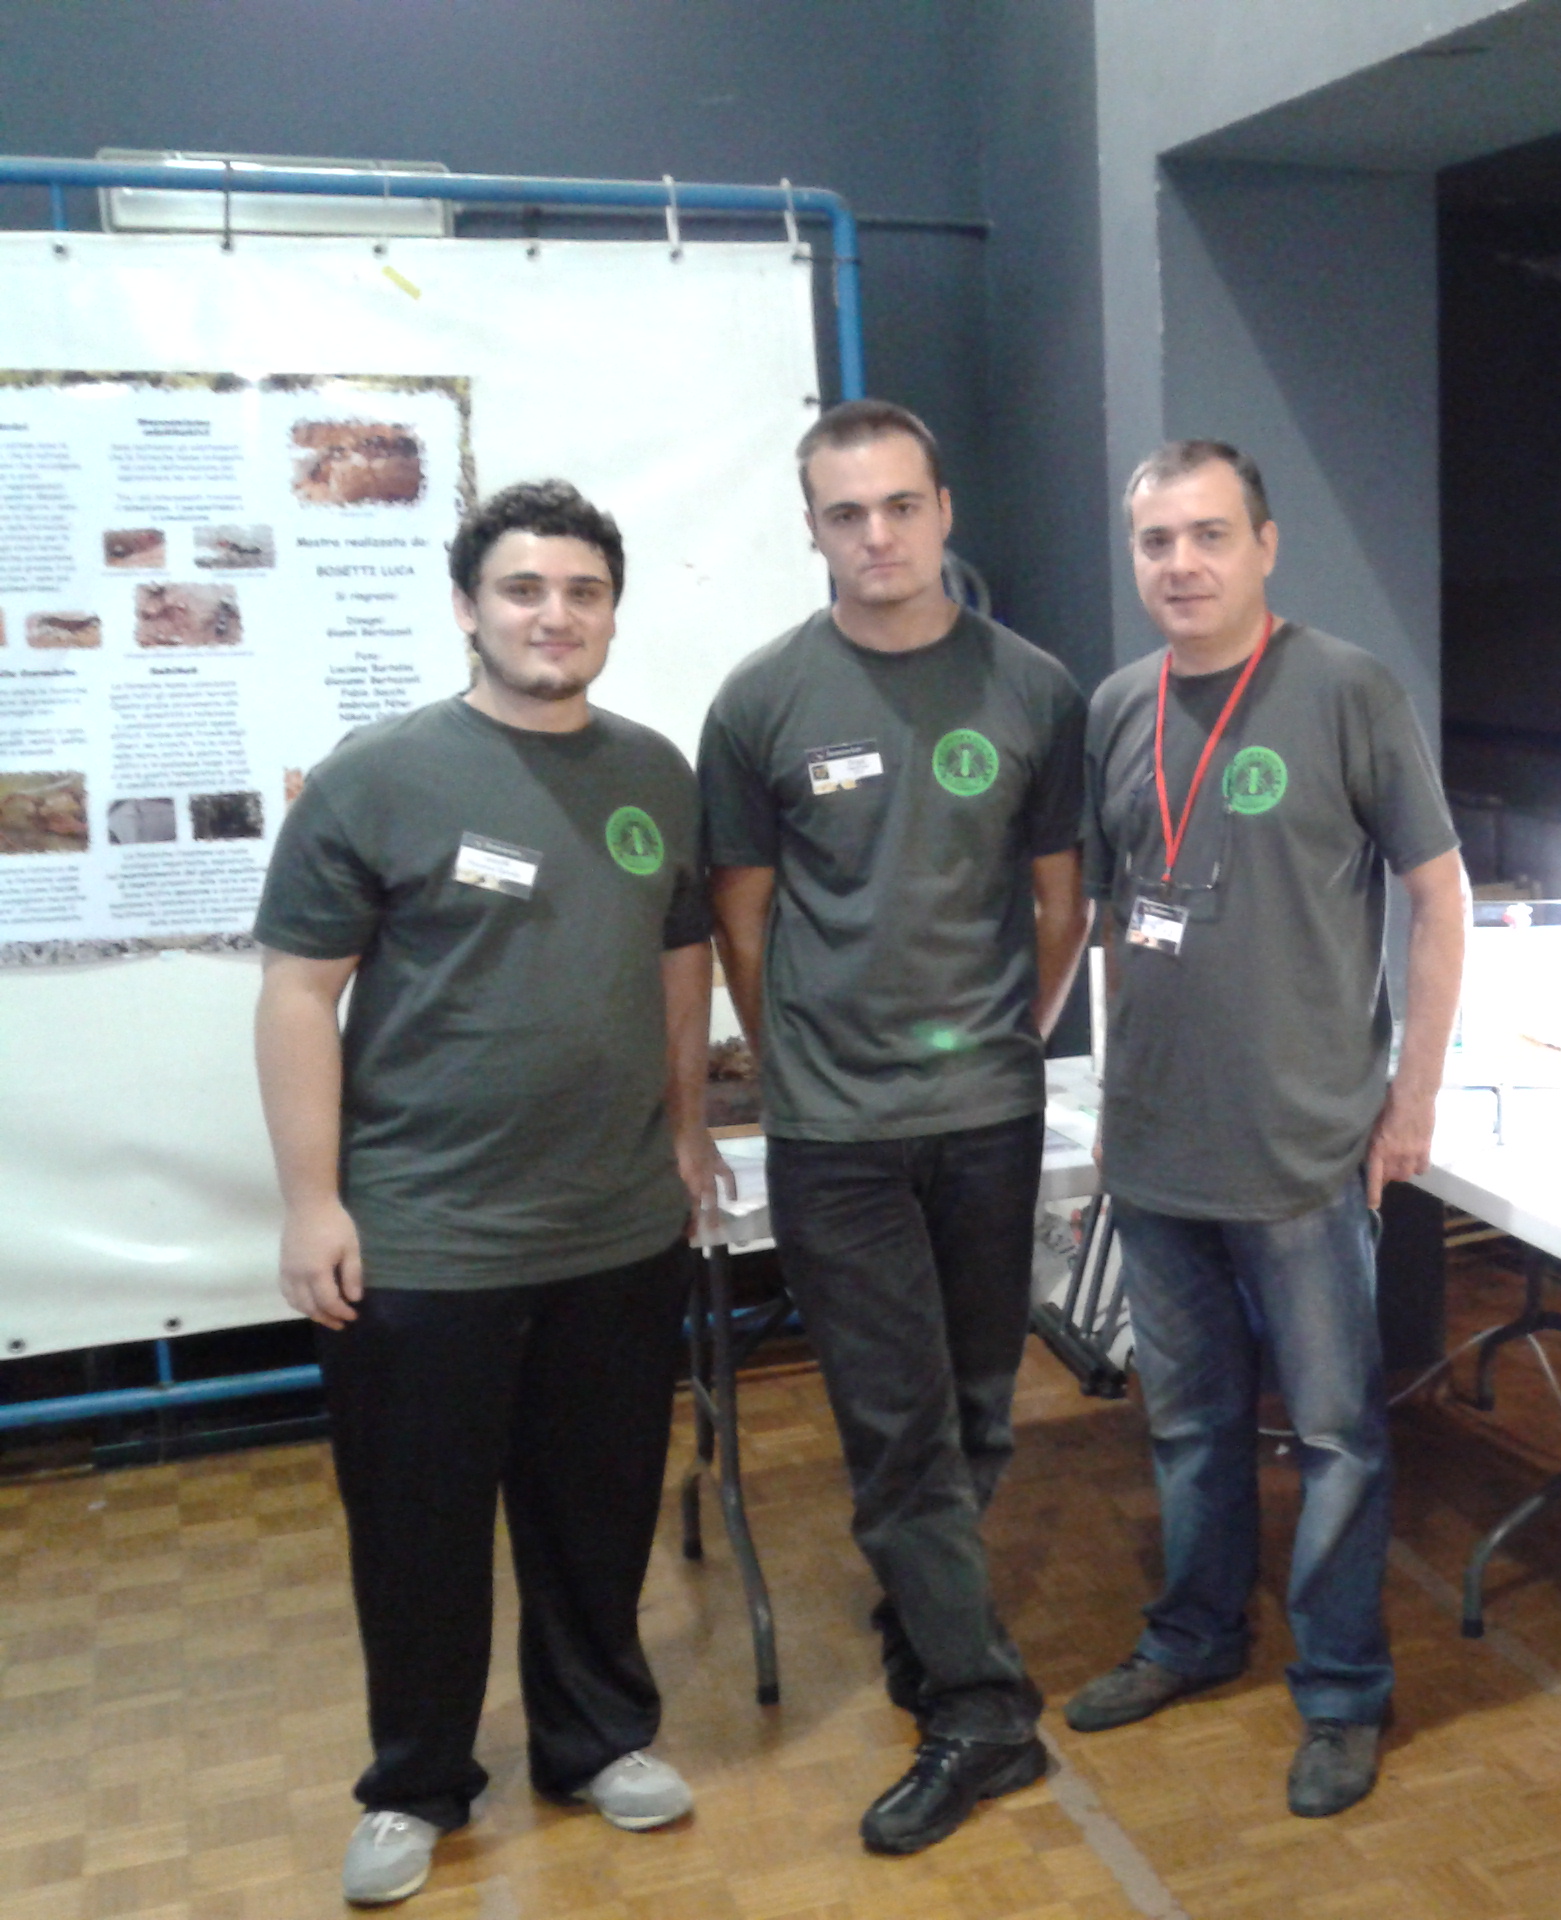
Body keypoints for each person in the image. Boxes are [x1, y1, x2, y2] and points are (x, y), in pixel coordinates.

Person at [253, 480, 720, 1907]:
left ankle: (595, 1742)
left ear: (612, 613)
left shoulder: (654, 775)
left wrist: (689, 1133)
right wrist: (313, 1203)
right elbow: (298, 995)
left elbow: (680, 965)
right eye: (523, 589)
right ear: (468, 606)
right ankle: (416, 1785)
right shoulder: (377, 778)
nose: (553, 615)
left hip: (614, 1227)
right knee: (419, 1534)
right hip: (425, 1239)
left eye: (582, 592)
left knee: (596, 1513)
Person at [696, 399, 1089, 1853]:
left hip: (989, 1110)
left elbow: (1061, 906)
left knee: (980, 1406)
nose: (878, 536)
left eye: (901, 506)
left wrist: (1006, 1039)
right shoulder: (760, 701)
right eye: (846, 513)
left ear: (943, 512)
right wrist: (804, 1064)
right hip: (838, 1131)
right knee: (894, 1420)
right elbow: (743, 924)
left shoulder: (1034, 689)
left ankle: (930, 1611)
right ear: (812, 529)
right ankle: (982, 1712)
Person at [1064, 439, 1467, 1818]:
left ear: (1265, 544)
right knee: (1188, 1424)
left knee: (1339, 1437)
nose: (1182, 563)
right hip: (1157, 1149)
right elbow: (1115, 918)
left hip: (1303, 1149)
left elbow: (1439, 898)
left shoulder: (1348, 690)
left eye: (1209, 535)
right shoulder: (1116, 707)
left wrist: (1413, 1097)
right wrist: (1106, 1096)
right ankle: (1194, 1636)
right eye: (1157, 540)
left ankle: (1343, 1690)